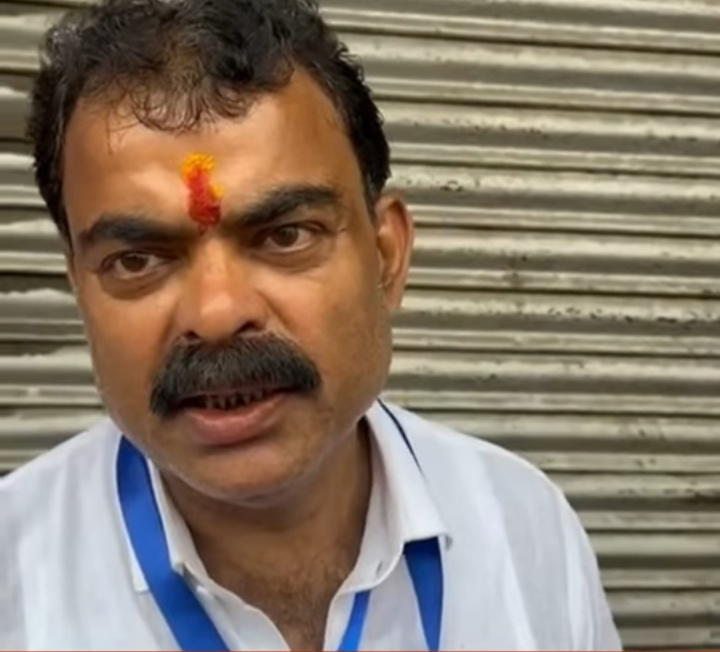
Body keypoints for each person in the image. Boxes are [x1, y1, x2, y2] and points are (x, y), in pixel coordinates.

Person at [0, 0, 622, 649]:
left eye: (286, 235)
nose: (217, 314)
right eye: (137, 261)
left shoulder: (524, 529)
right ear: (80, 287)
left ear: (386, 256)